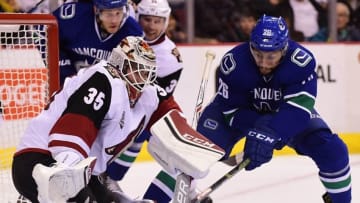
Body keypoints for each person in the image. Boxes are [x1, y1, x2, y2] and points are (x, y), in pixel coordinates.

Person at [11, 36, 224, 203]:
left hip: (83, 172)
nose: (145, 80)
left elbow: (173, 123)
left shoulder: (148, 94)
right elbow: (75, 126)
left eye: (148, 73)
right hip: (42, 160)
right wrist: (66, 171)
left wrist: (192, 155)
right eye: (139, 72)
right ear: (120, 65)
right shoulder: (103, 79)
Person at [197, 15, 352, 203]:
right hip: (242, 113)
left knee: (333, 152)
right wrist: (259, 130)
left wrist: (271, 132)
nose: (263, 62)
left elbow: (299, 110)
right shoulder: (235, 62)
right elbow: (230, 111)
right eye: (258, 54)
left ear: (284, 49)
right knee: (194, 153)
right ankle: (162, 197)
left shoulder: (300, 62)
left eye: (271, 56)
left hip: (285, 114)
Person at [103, 0, 186, 202]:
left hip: (153, 108)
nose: (151, 26)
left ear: (166, 22)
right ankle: (108, 178)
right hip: (119, 102)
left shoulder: (169, 57)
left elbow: (158, 99)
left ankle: (185, 188)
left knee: (178, 153)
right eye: (146, 19)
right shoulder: (124, 36)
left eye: (157, 21)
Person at [52, 0, 143, 85]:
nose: (114, 20)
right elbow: (43, 33)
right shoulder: (73, 17)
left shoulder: (133, 33)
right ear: (96, 10)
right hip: (65, 83)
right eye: (108, 14)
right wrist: (63, 69)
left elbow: (134, 74)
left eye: (118, 13)